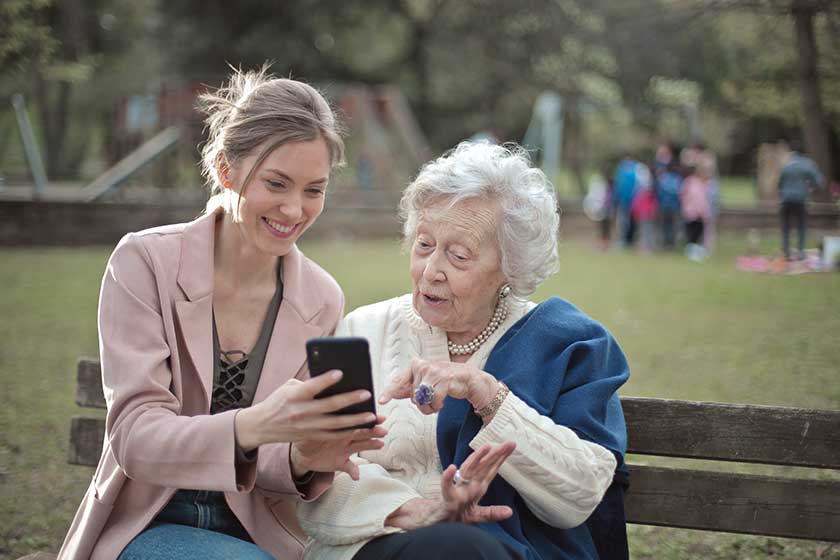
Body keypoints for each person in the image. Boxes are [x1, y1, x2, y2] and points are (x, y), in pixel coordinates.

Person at [58, 67, 387, 560]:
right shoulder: (145, 262)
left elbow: (274, 465)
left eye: (314, 190)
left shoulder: (321, 297)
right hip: (148, 524)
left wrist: (303, 456)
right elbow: (135, 438)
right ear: (225, 169)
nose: (294, 210)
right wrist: (253, 424)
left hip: (261, 536)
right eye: (276, 183)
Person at [298, 142, 631, 560]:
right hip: (371, 547)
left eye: (458, 256)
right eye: (423, 245)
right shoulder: (363, 330)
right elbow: (318, 470)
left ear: (511, 267)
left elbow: (582, 494)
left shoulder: (567, 344)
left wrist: (488, 395)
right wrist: (416, 511)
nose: (430, 271)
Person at [778, 139, 825, 260]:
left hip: (786, 200)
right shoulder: (808, 164)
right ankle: (800, 252)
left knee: (785, 226)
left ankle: (786, 252)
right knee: (801, 226)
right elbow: (820, 182)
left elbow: (780, 184)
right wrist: (811, 189)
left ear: (792, 152)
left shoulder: (787, 165)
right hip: (800, 199)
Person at [680, 164, 711, 262]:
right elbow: (693, 198)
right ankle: (691, 251)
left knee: (697, 232)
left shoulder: (698, 183)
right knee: (693, 232)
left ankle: (695, 250)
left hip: (697, 212)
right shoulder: (692, 183)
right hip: (693, 212)